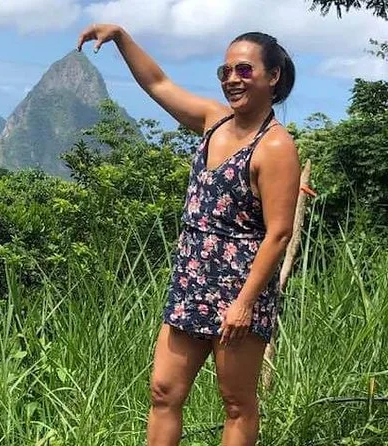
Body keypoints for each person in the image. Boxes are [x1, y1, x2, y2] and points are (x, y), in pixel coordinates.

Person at [77, 24, 301, 446]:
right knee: (164, 390)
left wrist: (244, 304)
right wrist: (122, 37)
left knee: (236, 403)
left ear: (272, 76)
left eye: (244, 70)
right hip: (191, 281)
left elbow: (279, 234)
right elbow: (158, 84)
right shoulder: (214, 121)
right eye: (225, 71)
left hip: (239, 290)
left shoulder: (275, 147)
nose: (232, 79)